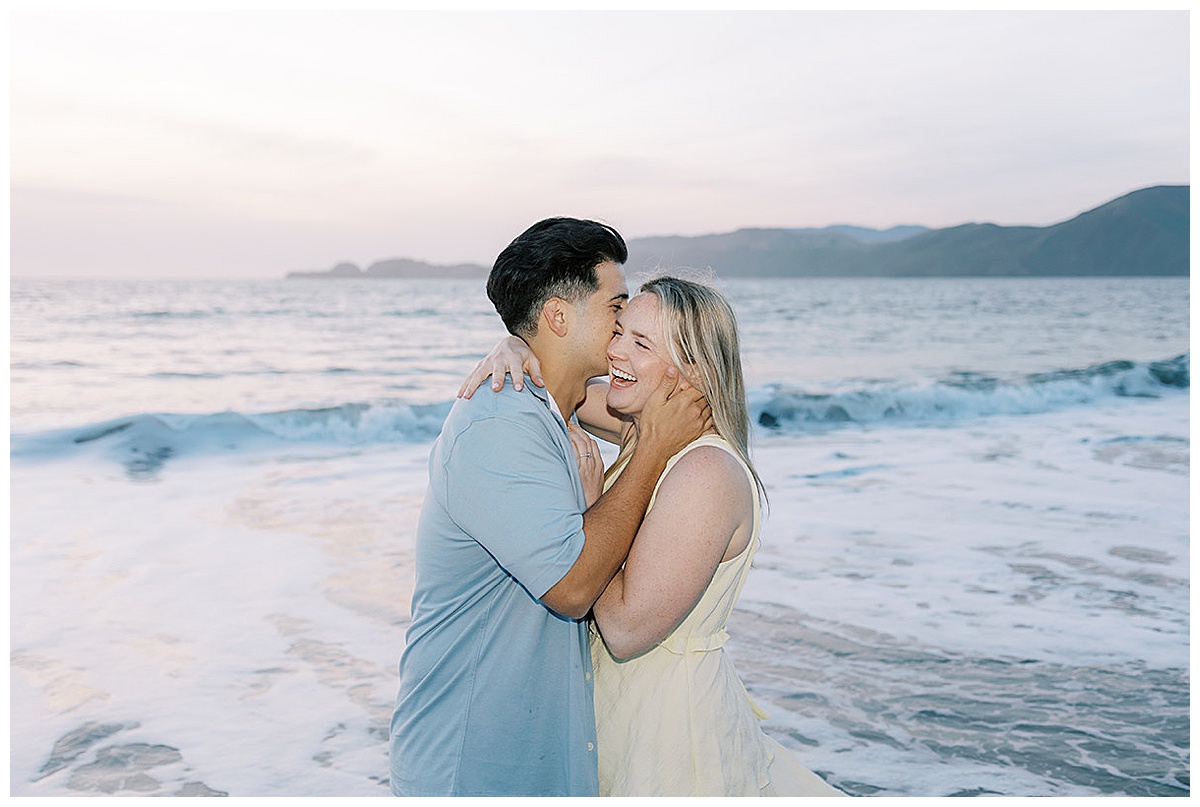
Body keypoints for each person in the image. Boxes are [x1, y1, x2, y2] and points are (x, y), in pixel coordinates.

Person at [462, 275, 845, 796]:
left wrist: (592, 503)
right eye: (619, 330)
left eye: (640, 344)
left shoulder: (704, 473)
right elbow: (561, 386)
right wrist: (513, 344)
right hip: (621, 711)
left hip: (666, 733)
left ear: (692, 373)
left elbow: (624, 629)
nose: (615, 351)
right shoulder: (644, 428)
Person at [388, 219, 711, 797]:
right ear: (559, 317)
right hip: (473, 765)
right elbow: (573, 588)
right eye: (616, 306)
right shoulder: (500, 426)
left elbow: (661, 414)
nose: (624, 321)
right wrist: (654, 450)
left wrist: (514, 340)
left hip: (536, 759)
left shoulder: (553, 406)